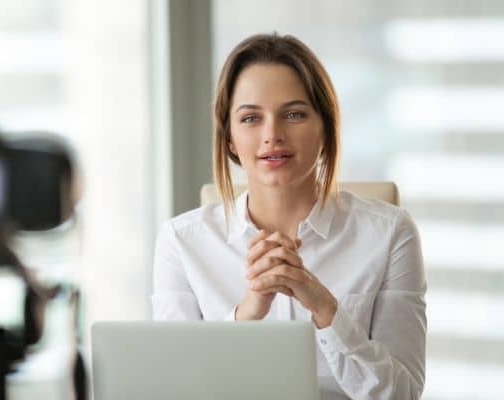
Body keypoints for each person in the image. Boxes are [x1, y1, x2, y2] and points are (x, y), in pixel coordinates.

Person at [151, 33, 426, 400]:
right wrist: (247, 315)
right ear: (230, 137)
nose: (272, 135)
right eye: (250, 118)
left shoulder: (390, 233)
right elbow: (173, 390)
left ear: (325, 128)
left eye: (294, 114)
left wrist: (324, 308)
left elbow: (402, 394)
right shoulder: (181, 241)